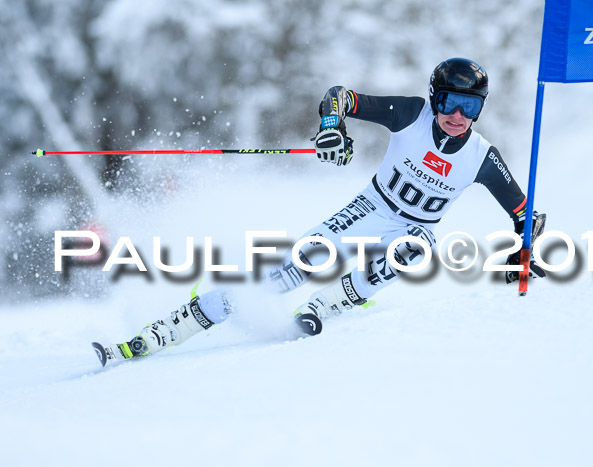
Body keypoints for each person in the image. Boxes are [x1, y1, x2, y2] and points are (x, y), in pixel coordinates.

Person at [92, 57, 547, 366]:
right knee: (296, 266)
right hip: (371, 208)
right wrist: (332, 127)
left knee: (416, 249)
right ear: (434, 98)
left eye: (471, 107)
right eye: (450, 102)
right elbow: (339, 96)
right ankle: (179, 323)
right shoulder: (411, 114)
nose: (458, 116)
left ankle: (327, 306)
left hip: (415, 228)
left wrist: (522, 253)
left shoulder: (482, 157)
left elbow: (526, 213)